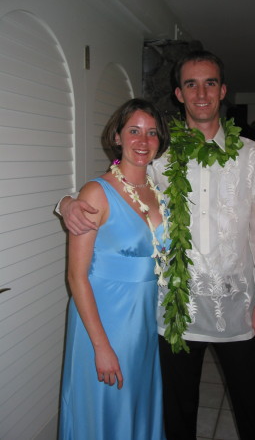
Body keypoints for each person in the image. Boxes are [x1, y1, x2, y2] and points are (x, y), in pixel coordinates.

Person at [57, 51, 255, 440]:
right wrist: (65, 204)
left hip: (238, 307)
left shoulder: (250, 157)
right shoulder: (161, 158)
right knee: (176, 410)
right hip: (174, 311)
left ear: (223, 91)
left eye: (210, 83)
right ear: (179, 94)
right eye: (191, 85)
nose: (201, 93)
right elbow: (114, 187)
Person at [58, 98, 170, 440]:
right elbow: (76, 276)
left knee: (136, 403)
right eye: (133, 131)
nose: (143, 140)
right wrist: (101, 347)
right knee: (107, 409)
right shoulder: (96, 193)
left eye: (151, 133)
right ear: (117, 137)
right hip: (105, 321)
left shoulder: (159, 191)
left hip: (144, 322)